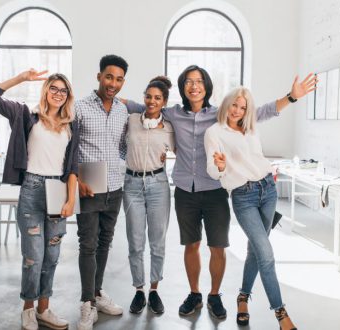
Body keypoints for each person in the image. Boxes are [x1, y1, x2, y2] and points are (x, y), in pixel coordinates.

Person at [125, 65, 317, 319]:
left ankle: (214, 295)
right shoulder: (173, 113)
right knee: (191, 245)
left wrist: (291, 97)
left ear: (206, 86)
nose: (194, 86)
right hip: (185, 190)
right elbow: (145, 107)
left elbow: (258, 114)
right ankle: (195, 294)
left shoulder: (220, 115)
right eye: (189, 82)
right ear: (183, 87)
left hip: (215, 190)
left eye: (199, 81)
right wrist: (114, 98)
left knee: (218, 246)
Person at [205, 87, 311, 329]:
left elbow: (268, 113)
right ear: (226, 104)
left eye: (243, 107)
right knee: (266, 254)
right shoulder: (214, 132)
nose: (237, 111)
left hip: (267, 190)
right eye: (234, 105)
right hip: (243, 197)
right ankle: (281, 313)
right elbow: (213, 171)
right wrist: (219, 166)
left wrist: (291, 96)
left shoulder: (250, 126)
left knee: (255, 250)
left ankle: (243, 298)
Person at [0, 69, 79, 330]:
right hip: (32, 189)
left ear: (68, 95)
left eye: (63, 90)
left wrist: (71, 199)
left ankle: (44, 310)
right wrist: (22, 78)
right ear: (46, 90)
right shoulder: (26, 116)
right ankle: (28, 309)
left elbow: (73, 168)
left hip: (58, 190)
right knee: (33, 256)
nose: (58, 94)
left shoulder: (71, 124)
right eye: (54, 88)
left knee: (52, 256)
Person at [74, 55, 130, 330]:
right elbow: (69, 146)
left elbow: (121, 144)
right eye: (109, 77)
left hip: (114, 186)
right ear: (99, 76)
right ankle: (87, 303)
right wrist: (76, 176)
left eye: (119, 79)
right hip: (89, 183)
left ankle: (96, 294)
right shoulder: (81, 107)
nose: (113, 83)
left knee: (105, 243)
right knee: (88, 244)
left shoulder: (122, 110)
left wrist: (119, 165)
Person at [123, 76, 175, 314]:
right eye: (148, 96)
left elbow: (185, 151)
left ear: (164, 102)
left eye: (157, 98)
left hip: (158, 185)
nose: (152, 101)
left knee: (157, 241)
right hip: (132, 184)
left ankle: (154, 290)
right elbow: (121, 144)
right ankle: (139, 290)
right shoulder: (132, 119)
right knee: (135, 242)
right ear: (143, 98)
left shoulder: (169, 128)